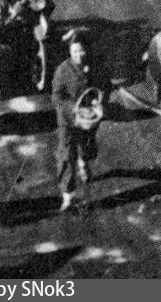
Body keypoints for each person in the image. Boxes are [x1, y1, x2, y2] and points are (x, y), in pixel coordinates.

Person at [52, 30, 101, 211]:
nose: (79, 55)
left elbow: (104, 85)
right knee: (66, 155)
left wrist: (99, 102)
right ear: (69, 52)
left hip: (88, 118)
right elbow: (56, 98)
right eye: (74, 51)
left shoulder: (94, 66)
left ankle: (84, 161)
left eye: (81, 50)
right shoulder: (62, 70)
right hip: (68, 120)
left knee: (87, 146)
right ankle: (68, 195)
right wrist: (73, 108)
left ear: (86, 49)